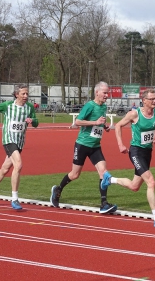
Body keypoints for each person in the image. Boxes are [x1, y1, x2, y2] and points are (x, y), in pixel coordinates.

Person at [100, 88, 155, 228]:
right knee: (151, 182)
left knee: (134, 186)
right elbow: (118, 125)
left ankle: (109, 179)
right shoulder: (134, 114)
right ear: (144, 101)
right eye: (152, 99)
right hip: (136, 152)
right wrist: (120, 144)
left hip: (147, 153)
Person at [50, 81, 117, 214]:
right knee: (75, 174)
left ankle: (104, 203)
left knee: (104, 172)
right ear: (97, 92)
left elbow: (99, 122)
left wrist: (104, 126)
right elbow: (77, 122)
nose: (106, 95)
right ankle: (58, 189)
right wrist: (95, 122)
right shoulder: (89, 106)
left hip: (95, 146)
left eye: (107, 93)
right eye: (104, 93)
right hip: (82, 145)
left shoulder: (103, 107)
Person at [0, 84, 39, 210]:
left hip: (20, 142)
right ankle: (14, 199)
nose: (26, 96)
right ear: (16, 94)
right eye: (23, 93)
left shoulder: (29, 107)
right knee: (18, 165)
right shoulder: (8, 105)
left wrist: (32, 121)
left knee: (4, 169)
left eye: (27, 94)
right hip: (8, 140)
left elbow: (36, 122)